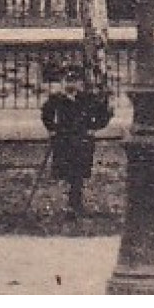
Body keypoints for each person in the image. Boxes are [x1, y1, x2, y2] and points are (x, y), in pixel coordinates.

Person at [39, 64, 113, 218]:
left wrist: (94, 127)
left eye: (75, 80)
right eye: (67, 80)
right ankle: (69, 203)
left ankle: (75, 203)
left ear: (81, 83)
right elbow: (46, 114)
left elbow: (103, 115)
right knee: (66, 171)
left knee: (79, 173)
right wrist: (52, 129)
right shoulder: (57, 99)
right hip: (64, 140)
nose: (71, 84)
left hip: (82, 140)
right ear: (62, 82)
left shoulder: (87, 99)